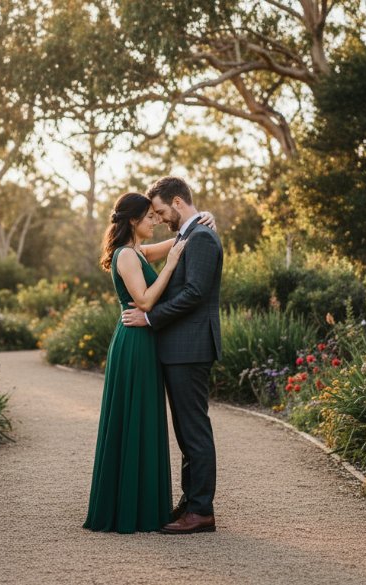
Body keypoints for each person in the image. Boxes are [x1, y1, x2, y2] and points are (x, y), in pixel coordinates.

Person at [83, 192, 216, 533]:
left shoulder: (137, 251)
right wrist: (170, 266)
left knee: (144, 419)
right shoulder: (127, 255)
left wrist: (202, 218)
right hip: (135, 337)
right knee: (136, 418)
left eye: (158, 215)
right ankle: (134, 506)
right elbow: (142, 301)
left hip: (144, 342)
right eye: (149, 217)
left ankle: (149, 503)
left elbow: (180, 239)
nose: (155, 221)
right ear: (132, 221)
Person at [121, 177, 224, 535]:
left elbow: (195, 292)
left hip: (191, 348)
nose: (161, 218)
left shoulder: (203, 238)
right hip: (179, 348)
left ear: (178, 202)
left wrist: (149, 317)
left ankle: (202, 511)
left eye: (162, 211)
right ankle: (190, 502)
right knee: (185, 431)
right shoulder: (188, 235)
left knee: (194, 430)